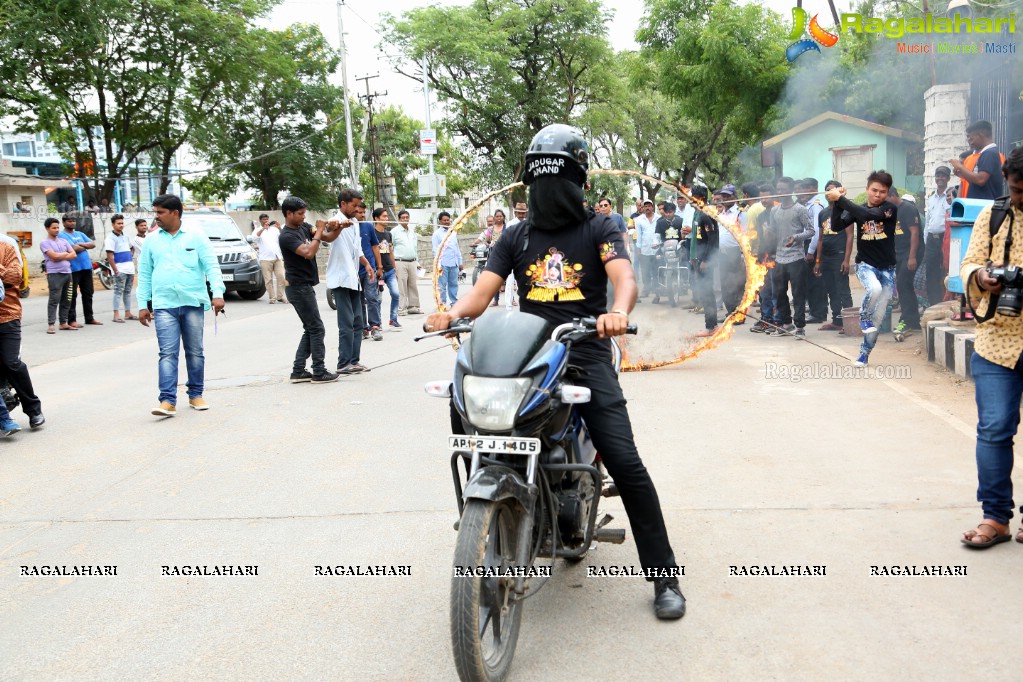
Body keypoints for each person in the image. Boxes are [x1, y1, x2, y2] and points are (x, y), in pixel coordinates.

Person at [425, 123, 685, 620]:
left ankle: (664, 575)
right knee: (474, 412)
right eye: (541, 180)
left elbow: (623, 279)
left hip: (585, 349)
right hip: (529, 354)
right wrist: (452, 314)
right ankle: (492, 518)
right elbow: (481, 295)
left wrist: (618, 313)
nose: (549, 189)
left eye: (559, 178)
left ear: (580, 182)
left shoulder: (600, 229)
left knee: (627, 464)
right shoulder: (516, 235)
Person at [958, 145, 1023, 547]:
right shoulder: (993, 214)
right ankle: (996, 517)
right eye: (1016, 190)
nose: (1020, 198)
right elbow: (969, 263)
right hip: (997, 338)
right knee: (995, 428)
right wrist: (981, 278)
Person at [136, 194, 225, 416]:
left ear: (175, 213)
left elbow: (212, 266)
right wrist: (142, 304)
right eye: (155, 212)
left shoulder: (196, 236)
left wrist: (217, 293)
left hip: (193, 302)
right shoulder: (152, 240)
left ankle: (195, 395)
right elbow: (145, 273)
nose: (156, 217)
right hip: (164, 304)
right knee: (167, 352)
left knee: (195, 351)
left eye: (160, 212)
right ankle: (167, 400)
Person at [826, 170, 898, 366]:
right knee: (873, 289)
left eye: (882, 192)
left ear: (887, 192)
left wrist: (841, 199)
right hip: (865, 265)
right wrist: (836, 203)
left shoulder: (889, 209)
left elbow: (868, 216)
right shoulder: (857, 210)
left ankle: (864, 354)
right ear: (867, 189)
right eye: (874, 190)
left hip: (887, 270)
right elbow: (835, 226)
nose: (877, 195)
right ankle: (863, 317)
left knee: (876, 322)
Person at [277, 196, 338, 384]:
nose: (304, 217)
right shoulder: (287, 235)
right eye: (301, 213)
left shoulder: (304, 227)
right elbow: (308, 252)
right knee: (317, 329)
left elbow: (326, 238)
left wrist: (339, 228)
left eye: (304, 213)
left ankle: (298, 371)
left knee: (311, 329)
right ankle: (318, 371)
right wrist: (320, 229)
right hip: (298, 287)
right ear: (289, 213)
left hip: (305, 286)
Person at [322, 189, 375, 375]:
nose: (356, 209)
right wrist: (335, 226)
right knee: (346, 323)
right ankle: (343, 363)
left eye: (358, 205)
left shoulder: (354, 223)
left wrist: (367, 264)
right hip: (340, 279)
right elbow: (326, 230)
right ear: (343, 204)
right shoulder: (335, 221)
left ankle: (354, 360)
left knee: (358, 321)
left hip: (354, 278)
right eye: (353, 205)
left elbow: (357, 248)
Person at [0, 237, 43, 429]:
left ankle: (33, 409)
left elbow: (14, 277)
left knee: (12, 363)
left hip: (7, 314)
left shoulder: (6, 247)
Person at [767, 177, 814, 339]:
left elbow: (811, 231)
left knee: (798, 293)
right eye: (778, 189)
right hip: (779, 258)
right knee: (779, 292)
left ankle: (800, 326)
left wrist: (796, 237)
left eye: (783, 189)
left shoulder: (800, 209)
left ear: (792, 190)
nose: (780, 192)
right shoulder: (774, 211)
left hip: (796, 258)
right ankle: (786, 324)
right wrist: (768, 233)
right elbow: (773, 232)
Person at [813, 180, 854, 332]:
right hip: (826, 257)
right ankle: (837, 321)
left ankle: (849, 323)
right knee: (831, 290)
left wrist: (846, 260)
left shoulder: (845, 211)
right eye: (827, 191)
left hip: (839, 256)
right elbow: (821, 239)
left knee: (843, 290)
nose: (830, 193)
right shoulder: (823, 213)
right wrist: (818, 261)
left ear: (839, 192)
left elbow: (850, 236)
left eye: (833, 190)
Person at [888, 191, 922, 335]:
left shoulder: (908, 208)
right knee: (904, 285)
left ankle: (906, 320)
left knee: (902, 283)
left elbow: (915, 233)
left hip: (911, 252)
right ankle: (914, 321)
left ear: (893, 196)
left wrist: (912, 257)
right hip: (898, 253)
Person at [57, 214, 100, 326]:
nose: (72, 223)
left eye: (73, 221)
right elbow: (73, 249)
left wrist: (80, 244)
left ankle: (89, 318)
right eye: (69, 221)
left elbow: (92, 244)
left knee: (88, 293)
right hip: (73, 269)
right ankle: (72, 320)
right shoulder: (61, 235)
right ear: (64, 222)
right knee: (72, 295)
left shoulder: (80, 234)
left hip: (86, 267)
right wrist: (84, 246)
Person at [689, 186, 720, 336]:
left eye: (692, 196)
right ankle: (711, 326)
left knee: (707, 293)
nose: (690, 199)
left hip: (705, 261)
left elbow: (712, 240)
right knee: (704, 292)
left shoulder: (706, 214)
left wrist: (706, 260)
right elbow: (698, 238)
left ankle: (711, 327)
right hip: (697, 259)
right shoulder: (697, 213)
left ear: (700, 198)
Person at [714, 184, 747, 322]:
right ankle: (730, 312)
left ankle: (739, 315)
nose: (725, 198)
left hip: (735, 253)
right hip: (722, 253)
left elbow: (745, 235)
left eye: (728, 196)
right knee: (725, 284)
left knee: (736, 284)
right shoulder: (720, 214)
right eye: (723, 196)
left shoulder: (740, 213)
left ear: (735, 197)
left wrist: (742, 255)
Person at [797, 178, 827, 324]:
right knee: (810, 281)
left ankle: (818, 313)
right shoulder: (808, 205)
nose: (802, 192)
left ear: (814, 188)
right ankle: (815, 311)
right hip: (808, 244)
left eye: (806, 188)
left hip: (813, 245)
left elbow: (816, 230)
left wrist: (810, 251)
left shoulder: (816, 205)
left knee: (816, 281)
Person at [39, 218, 76, 334]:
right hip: (54, 274)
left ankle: (63, 323)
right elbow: (53, 256)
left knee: (67, 299)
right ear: (47, 229)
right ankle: (51, 324)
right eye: (53, 228)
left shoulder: (64, 241)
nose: (56, 230)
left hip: (67, 273)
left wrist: (62, 255)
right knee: (54, 299)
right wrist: (65, 254)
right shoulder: (44, 243)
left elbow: (74, 254)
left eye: (57, 227)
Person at [924, 166, 951, 307]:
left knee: (946, 271)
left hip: (945, 239)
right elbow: (928, 221)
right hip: (931, 240)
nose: (940, 178)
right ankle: (933, 304)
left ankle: (945, 303)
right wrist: (925, 241)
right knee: (931, 273)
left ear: (948, 178)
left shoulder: (951, 196)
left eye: (943, 175)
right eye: (938, 175)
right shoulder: (931, 198)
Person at [356, 206, 384, 340]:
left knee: (372, 297)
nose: (362, 215)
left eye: (363, 212)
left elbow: (375, 247)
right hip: (354, 271)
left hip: (370, 269)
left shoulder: (368, 227)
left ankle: (375, 327)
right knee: (359, 300)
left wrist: (379, 266)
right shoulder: (348, 227)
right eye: (359, 212)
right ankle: (363, 328)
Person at [372, 207, 401, 329]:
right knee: (377, 298)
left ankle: (393, 319)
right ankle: (377, 323)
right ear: (376, 218)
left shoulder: (388, 234)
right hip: (379, 271)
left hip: (389, 270)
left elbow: (390, 251)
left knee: (396, 294)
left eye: (386, 216)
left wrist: (394, 268)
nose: (386, 218)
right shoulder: (372, 233)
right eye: (383, 216)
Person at [105, 214, 136, 323]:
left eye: (122, 223)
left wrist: (130, 256)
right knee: (118, 291)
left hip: (129, 268)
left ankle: (128, 313)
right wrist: (115, 270)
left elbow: (132, 248)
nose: (121, 225)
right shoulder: (110, 238)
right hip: (119, 269)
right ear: (113, 224)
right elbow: (109, 255)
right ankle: (116, 314)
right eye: (118, 223)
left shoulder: (126, 236)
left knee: (127, 291)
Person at [392, 209, 422, 316]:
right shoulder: (394, 232)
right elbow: (391, 248)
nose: (405, 219)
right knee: (402, 285)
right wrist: (392, 264)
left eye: (407, 217)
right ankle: (402, 308)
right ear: (399, 219)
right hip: (400, 262)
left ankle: (413, 307)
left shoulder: (412, 232)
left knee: (413, 285)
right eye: (403, 217)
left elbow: (414, 248)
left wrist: (417, 263)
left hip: (412, 262)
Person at [253, 214, 287, 304]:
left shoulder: (274, 230)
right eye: (264, 219)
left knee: (282, 277)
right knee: (268, 280)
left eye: (267, 219)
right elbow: (255, 237)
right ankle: (272, 297)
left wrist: (279, 228)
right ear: (260, 220)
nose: (266, 221)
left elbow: (284, 236)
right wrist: (263, 229)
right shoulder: (257, 230)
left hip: (277, 257)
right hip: (265, 258)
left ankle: (280, 296)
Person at [432, 211, 462, 308]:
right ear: (440, 221)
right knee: (442, 286)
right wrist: (438, 264)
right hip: (443, 264)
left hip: (454, 263)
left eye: (448, 220)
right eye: (444, 220)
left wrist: (460, 262)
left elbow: (456, 248)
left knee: (454, 284)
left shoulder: (453, 232)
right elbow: (435, 250)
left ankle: (454, 303)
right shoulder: (437, 234)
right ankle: (442, 304)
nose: (446, 222)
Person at [633, 200, 658, 299]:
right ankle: (646, 289)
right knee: (645, 271)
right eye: (645, 206)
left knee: (656, 270)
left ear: (652, 207)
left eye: (649, 206)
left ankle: (657, 289)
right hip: (645, 249)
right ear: (642, 208)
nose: (647, 208)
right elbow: (638, 235)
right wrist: (638, 249)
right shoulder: (639, 220)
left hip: (657, 249)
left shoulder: (658, 218)